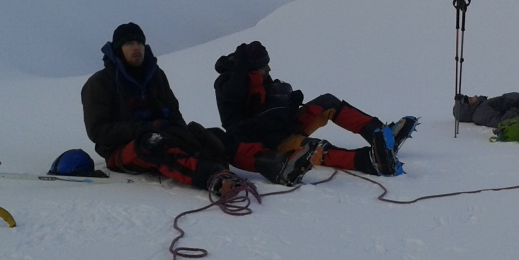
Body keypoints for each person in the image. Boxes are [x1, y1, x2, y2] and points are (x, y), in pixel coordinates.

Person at [81, 23, 312, 196]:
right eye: (129, 43)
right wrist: (144, 128)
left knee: (211, 136)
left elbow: (173, 110)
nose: (136, 48)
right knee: (152, 144)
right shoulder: (99, 84)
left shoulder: (155, 75)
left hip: (162, 133)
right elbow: (98, 131)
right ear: (118, 49)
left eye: (139, 43)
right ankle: (213, 178)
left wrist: (187, 136)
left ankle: (274, 164)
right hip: (122, 151)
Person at [214, 41, 418, 179]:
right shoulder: (226, 85)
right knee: (313, 148)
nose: (268, 70)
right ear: (248, 69)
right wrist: (244, 70)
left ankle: (381, 136)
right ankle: (371, 162)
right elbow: (244, 102)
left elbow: (268, 109)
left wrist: (286, 102)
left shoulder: (261, 79)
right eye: (263, 66)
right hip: (268, 142)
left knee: (328, 102)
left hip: (283, 127)